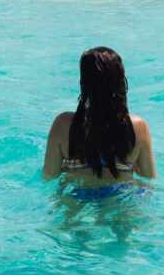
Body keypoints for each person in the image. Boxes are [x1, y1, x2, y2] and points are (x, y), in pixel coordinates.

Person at [43, 46, 156, 195]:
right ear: (120, 81)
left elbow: (49, 177)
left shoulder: (63, 124)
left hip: (76, 198)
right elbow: (148, 182)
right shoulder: (138, 127)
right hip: (120, 198)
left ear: (84, 82)